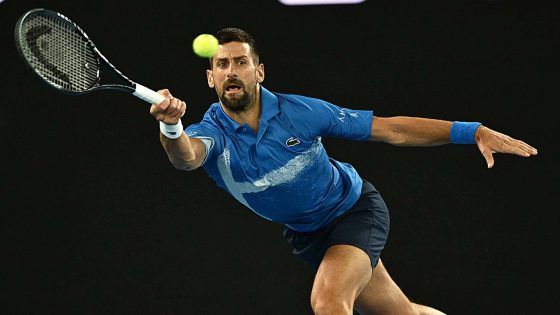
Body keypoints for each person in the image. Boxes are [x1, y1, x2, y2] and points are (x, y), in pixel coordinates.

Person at [149, 28, 537, 315]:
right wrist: (171, 126)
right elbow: (186, 157)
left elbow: (393, 130)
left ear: (259, 72)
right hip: (307, 234)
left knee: (329, 303)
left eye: (241, 62)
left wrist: (472, 132)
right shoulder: (208, 131)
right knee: (401, 313)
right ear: (211, 78)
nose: (231, 71)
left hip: (354, 211)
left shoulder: (302, 113)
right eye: (221, 64)